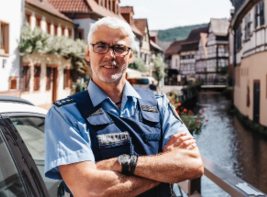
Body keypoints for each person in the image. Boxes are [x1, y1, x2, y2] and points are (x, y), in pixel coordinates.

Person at [45, 17, 204, 197]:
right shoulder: (66, 114)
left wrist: (124, 163)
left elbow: (194, 164)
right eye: (101, 46)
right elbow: (89, 190)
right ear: (88, 53)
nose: (110, 55)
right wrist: (165, 172)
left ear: (130, 56)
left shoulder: (159, 103)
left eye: (119, 48)